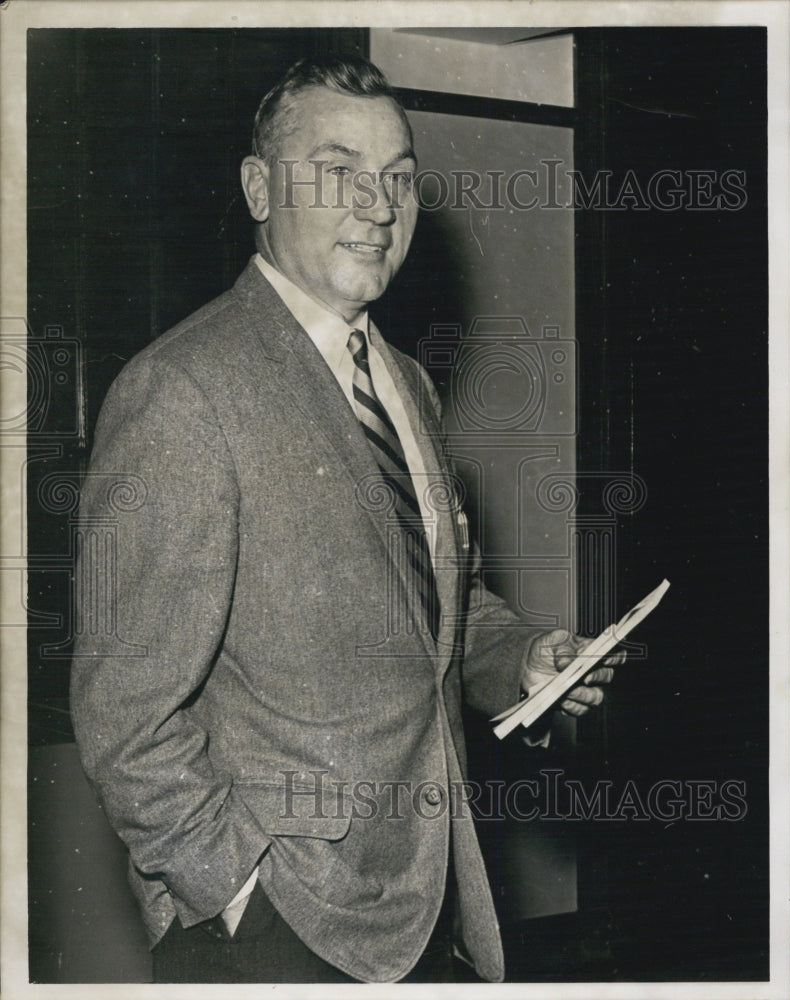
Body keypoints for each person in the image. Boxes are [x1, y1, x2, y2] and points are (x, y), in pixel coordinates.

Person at [71, 54, 618, 984]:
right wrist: (237, 887)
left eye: (398, 177)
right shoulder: (181, 390)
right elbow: (125, 715)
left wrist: (517, 657)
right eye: (338, 171)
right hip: (281, 926)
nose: (378, 204)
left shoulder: (406, 383)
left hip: (435, 898)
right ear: (258, 188)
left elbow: (430, 612)